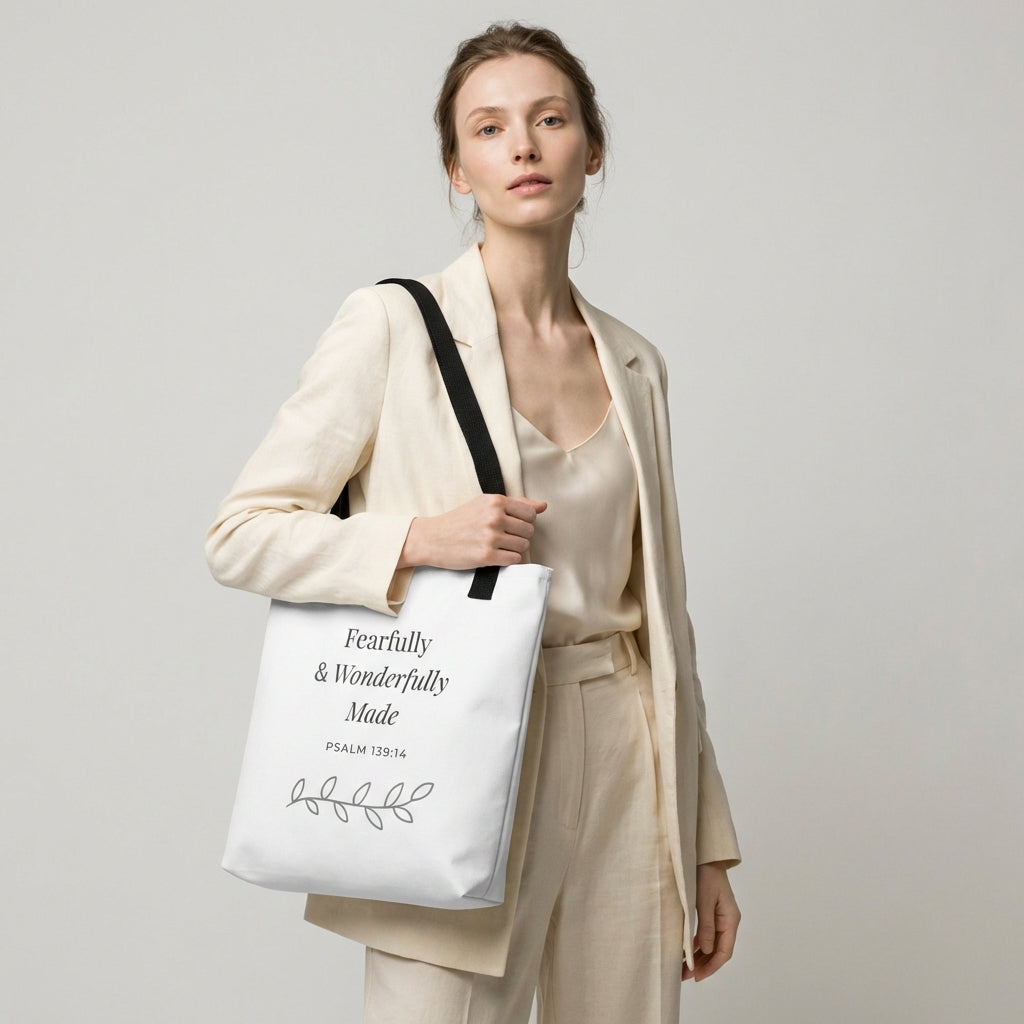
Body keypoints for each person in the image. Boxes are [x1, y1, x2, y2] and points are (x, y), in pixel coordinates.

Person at [206, 21, 740, 1024]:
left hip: (626, 750)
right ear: (459, 170)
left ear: (593, 148)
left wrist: (703, 841)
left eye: (549, 119)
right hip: (455, 734)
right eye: (490, 129)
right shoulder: (393, 327)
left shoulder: (636, 364)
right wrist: (416, 541)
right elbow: (240, 531)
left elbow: (665, 620)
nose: (524, 146)